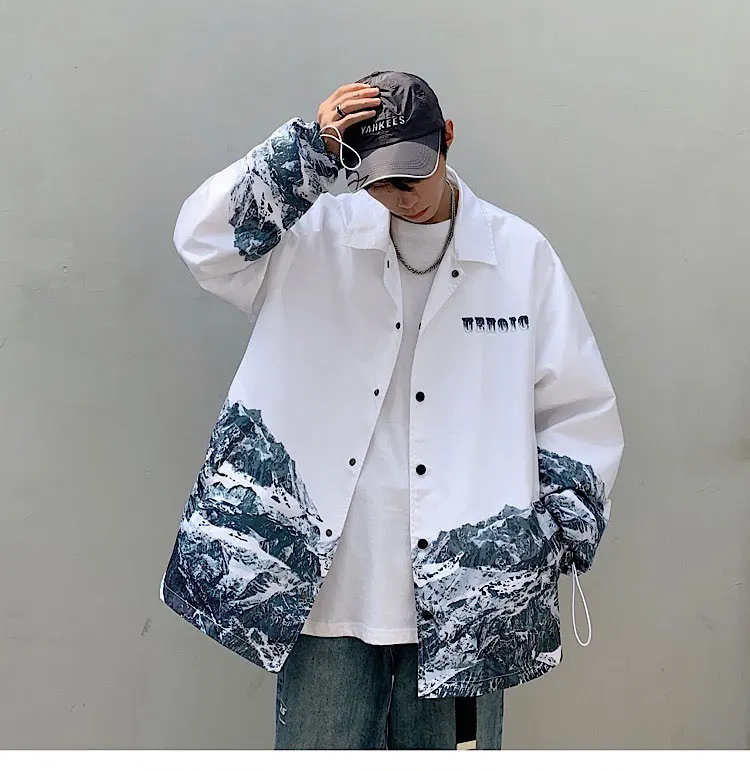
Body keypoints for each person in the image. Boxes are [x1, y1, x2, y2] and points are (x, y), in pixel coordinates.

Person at [160, 71, 624, 750]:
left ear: (448, 139)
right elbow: (203, 242)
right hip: (327, 590)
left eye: (412, 174)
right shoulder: (314, 236)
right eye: (379, 179)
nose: (398, 195)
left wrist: (547, 540)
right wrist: (305, 151)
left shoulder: (520, 256)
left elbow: (577, 407)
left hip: (467, 597)